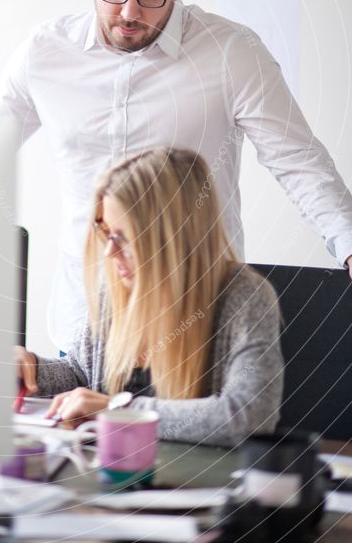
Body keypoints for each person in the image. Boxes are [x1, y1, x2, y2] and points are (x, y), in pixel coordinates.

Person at [0, 0, 352, 351]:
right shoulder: (44, 51)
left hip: (197, 322)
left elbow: (299, 161)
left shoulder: (232, 52)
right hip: (84, 323)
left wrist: (349, 244)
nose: (128, 12)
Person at [16, 149, 284, 446]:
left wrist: (120, 410)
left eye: (122, 237)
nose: (109, 252)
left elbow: (249, 417)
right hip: (115, 473)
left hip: (195, 484)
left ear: (168, 238)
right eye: (105, 232)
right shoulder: (119, 287)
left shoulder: (246, 297)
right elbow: (81, 374)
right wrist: (31, 369)